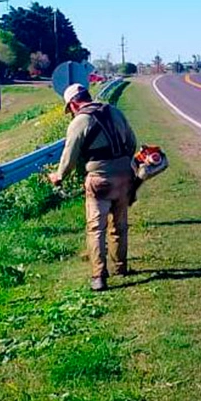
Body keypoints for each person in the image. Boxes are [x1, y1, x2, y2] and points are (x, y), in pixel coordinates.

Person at [48, 83, 138, 291]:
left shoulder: (80, 121)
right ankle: (121, 267)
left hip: (99, 180)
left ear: (73, 104)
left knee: (97, 228)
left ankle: (98, 276)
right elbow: (132, 142)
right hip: (124, 176)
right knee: (120, 225)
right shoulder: (115, 111)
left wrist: (59, 176)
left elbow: (69, 157)